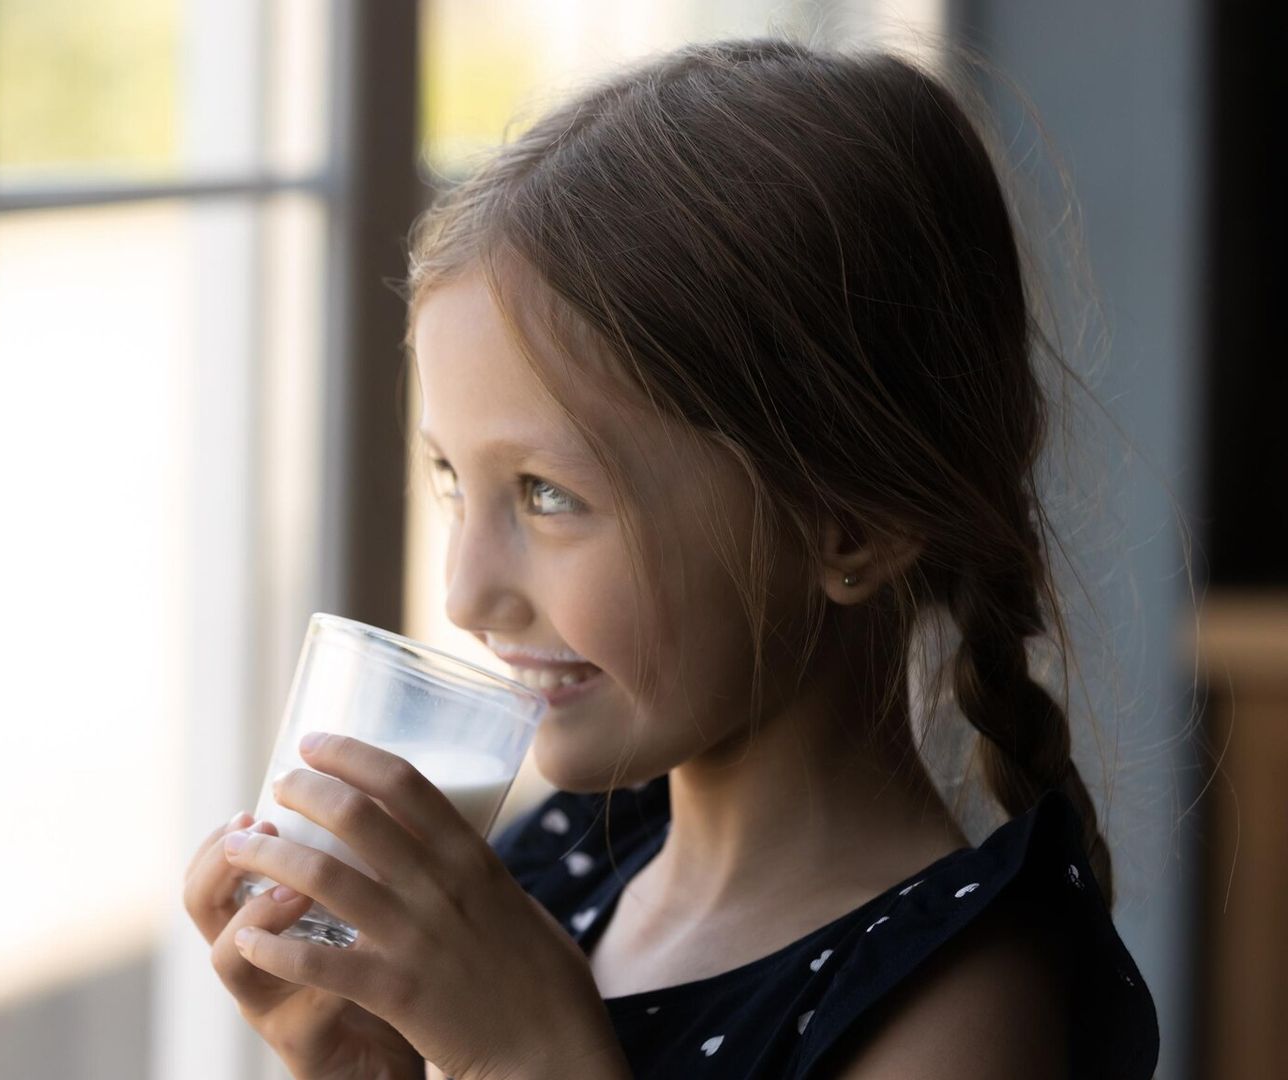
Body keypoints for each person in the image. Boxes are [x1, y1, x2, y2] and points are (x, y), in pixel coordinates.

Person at [183, 36, 1161, 1079]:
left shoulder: (968, 1008)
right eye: (451, 481)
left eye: (549, 495)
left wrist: (527, 1057)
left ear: (850, 527)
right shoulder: (550, 868)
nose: (465, 592)